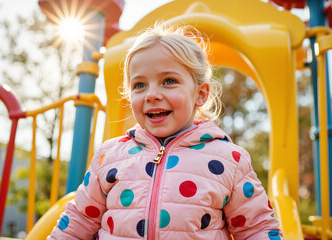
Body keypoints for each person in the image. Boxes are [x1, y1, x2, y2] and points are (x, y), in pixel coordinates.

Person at [48, 24, 283, 239]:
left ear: (200, 94)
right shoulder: (109, 156)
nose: (151, 94)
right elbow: (78, 222)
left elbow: (257, 228)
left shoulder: (230, 160)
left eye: (169, 81)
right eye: (139, 85)